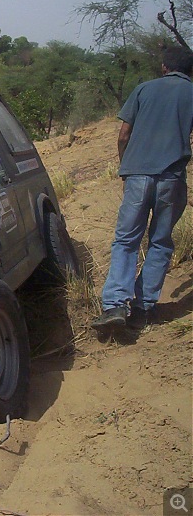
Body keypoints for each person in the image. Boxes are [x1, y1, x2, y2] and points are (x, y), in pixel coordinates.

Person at [93, 46, 193, 334]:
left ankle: (114, 305)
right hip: (172, 178)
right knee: (160, 242)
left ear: (163, 67)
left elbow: (123, 134)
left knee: (126, 241)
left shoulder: (143, 89)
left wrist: (126, 168)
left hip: (137, 175)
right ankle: (143, 307)